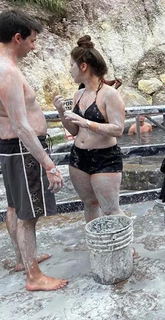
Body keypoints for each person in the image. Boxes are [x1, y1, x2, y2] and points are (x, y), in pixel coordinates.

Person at [0, 10, 67, 291]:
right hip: (21, 150)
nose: (34, 47)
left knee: (15, 207)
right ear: (18, 38)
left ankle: (23, 260)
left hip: (11, 149)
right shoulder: (8, 71)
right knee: (28, 215)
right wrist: (49, 164)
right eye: (32, 41)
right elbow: (21, 125)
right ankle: (33, 276)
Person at [53, 35, 126, 223]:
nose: (69, 70)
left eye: (71, 65)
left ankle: (125, 248)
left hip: (104, 157)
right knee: (90, 204)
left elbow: (118, 129)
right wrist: (62, 112)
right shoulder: (79, 93)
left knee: (111, 209)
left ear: (83, 66)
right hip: (78, 157)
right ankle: (97, 248)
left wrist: (86, 123)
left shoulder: (109, 94)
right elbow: (75, 131)